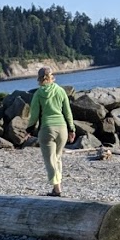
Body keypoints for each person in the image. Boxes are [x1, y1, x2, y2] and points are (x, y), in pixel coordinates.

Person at [27, 66, 75, 196]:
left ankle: (57, 188)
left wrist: (29, 129)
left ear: (39, 79)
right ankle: (57, 187)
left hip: (47, 129)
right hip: (62, 129)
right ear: (52, 77)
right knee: (57, 158)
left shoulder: (38, 93)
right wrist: (72, 129)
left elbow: (34, 115)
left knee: (50, 160)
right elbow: (68, 112)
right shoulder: (61, 91)